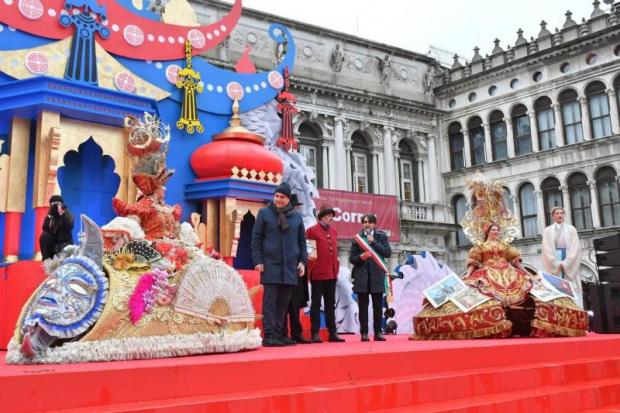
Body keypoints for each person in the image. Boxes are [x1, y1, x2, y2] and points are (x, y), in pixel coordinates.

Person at [412, 179, 588, 339]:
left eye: (498, 229)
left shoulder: (505, 246)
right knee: (479, 296)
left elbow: (516, 262)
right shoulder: (480, 247)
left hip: (509, 274)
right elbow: (473, 263)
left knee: (532, 292)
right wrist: (467, 276)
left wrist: (529, 274)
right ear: (487, 232)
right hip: (487, 273)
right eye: (494, 230)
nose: (497, 232)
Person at [252, 182, 307, 347]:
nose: (278, 199)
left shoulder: (296, 217)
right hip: (270, 264)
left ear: (288, 199)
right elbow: (256, 239)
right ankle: (269, 335)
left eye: (282, 197)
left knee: (283, 303)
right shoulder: (264, 213)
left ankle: (279, 334)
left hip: (290, 266)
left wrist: (302, 262)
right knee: (270, 302)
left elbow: (301, 242)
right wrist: (258, 260)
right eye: (276, 196)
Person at [305, 205, 345, 343]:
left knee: (330, 304)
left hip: (331, 273)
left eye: (331, 216)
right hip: (317, 273)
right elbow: (310, 255)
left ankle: (332, 332)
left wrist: (336, 269)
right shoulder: (311, 231)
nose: (330, 218)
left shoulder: (334, 231)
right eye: (327, 216)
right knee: (315, 303)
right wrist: (310, 272)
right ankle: (315, 332)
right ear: (321, 217)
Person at [349, 213, 391, 342]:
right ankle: (364, 333)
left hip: (377, 276)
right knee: (363, 308)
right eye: (364, 222)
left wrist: (374, 243)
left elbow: (387, 253)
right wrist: (361, 257)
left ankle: (378, 332)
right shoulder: (357, 238)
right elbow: (352, 259)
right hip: (362, 277)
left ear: (374, 224)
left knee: (378, 307)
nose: (366, 224)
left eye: (368, 222)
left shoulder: (381, 236)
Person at [282, 194, 311, 344]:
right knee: (284, 303)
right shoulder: (282, 220)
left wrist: (303, 261)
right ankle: (282, 333)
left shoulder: (298, 220)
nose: (298, 208)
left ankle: (296, 333)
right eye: (296, 205)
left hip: (297, 268)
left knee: (295, 302)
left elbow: (302, 243)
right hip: (285, 267)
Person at [542, 206, 583, 308]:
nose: (559, 215)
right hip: (554, 260)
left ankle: (575, 309)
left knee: (572, 286)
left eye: (561, 213)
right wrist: (555, 263)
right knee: (556, 286)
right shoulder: (547, 230)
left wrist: (566, 263)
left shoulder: (571, 229)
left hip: (568, 260)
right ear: (553, 216)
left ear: (564, 215)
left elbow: (575, 247)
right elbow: (546, 249)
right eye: (557, 213)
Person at [39, 195, 74, 260]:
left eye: (57, 204)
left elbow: (69, 226)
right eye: (53, 204)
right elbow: (45, 228)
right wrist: (50, 218)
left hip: (64, 244)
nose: (55, 206)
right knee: (44, 235)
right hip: (53, 244)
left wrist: (62, 215)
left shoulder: (67, 214)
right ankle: (47, 260)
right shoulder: (50, 216)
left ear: (62, 204)